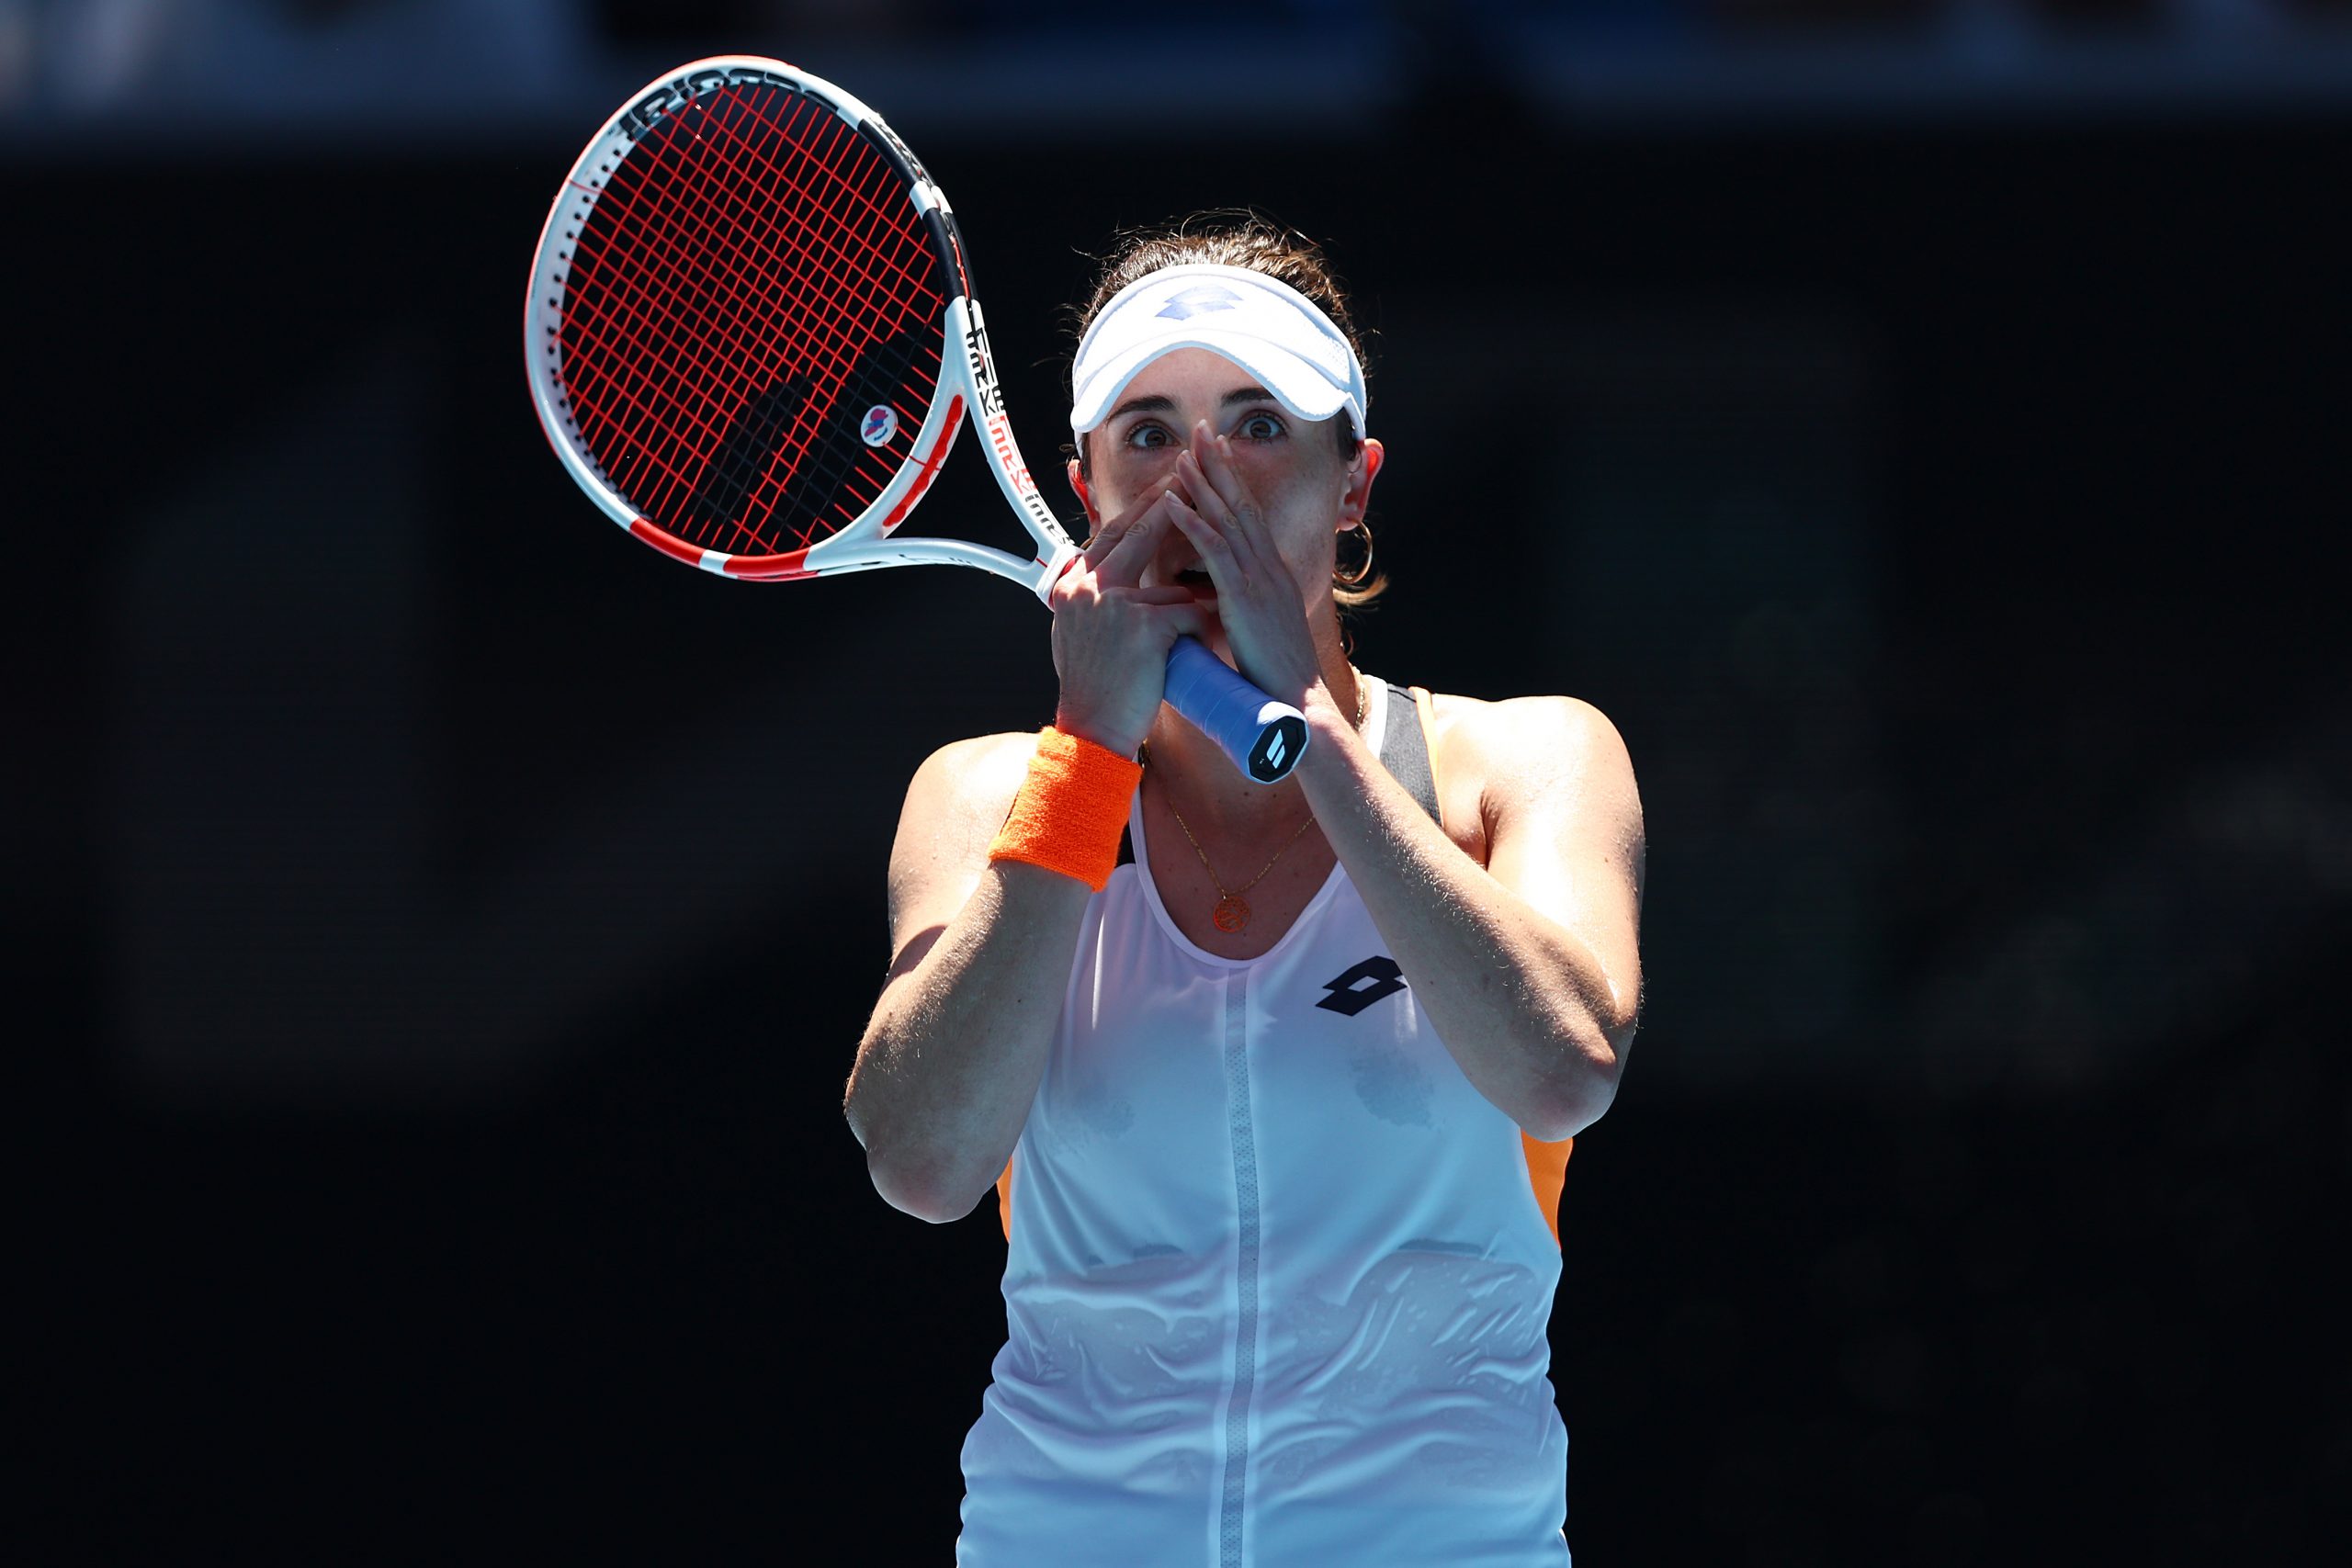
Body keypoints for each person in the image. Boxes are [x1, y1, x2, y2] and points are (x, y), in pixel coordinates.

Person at [843, 215, 1645, 1566]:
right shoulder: (985, 796)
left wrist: (1308, 732)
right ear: (1085, 488)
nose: (1201, 475)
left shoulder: (1529, 759)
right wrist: (1087, 751)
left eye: (1259, 424)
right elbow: (922, 1164)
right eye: (1150, 432)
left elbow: (1564, 1072)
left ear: (1353, 484)